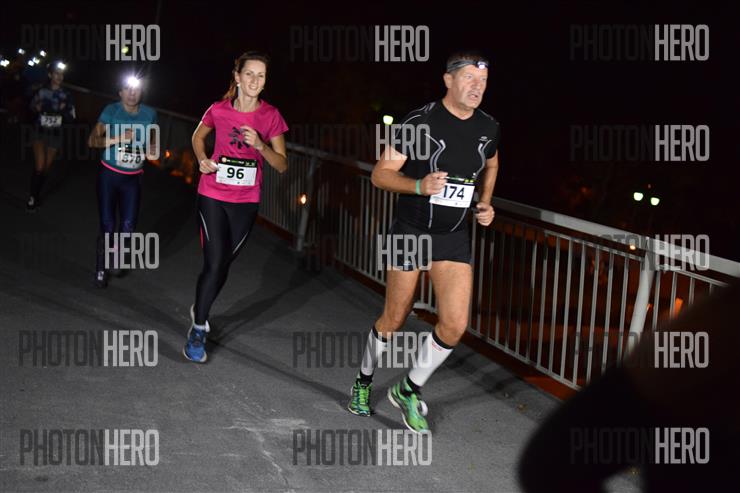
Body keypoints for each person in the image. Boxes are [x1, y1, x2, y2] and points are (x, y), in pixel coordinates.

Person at [347, 51, 501, 433]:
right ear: (448, 80)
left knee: (455, 324)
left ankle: (408, 389)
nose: (477, 87)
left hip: (453, 237)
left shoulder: (489, 126)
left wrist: (485, 202)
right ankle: (363, 381)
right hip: (410, 232)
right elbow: (380, 174)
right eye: (469, 78)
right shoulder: (421, 121)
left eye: (483, 81)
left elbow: (492, 163)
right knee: (395, 317)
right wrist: (419, 185)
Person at [183, 51, 289, 363]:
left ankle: (200, 308)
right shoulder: (218, 109)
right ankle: (198, 330)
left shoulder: (271, 116)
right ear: (238, 77)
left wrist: (260, 145)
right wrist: (202, 159)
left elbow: (282, 165)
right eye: (250, 74)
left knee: (223, 265)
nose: (255, 80)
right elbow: (198, 137)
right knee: (215, 262)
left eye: (261, 75)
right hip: (213, 195)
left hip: (245, 202)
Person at [87, 75, 158, 288]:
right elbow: (92, 141)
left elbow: (153, 144)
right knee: (107, 224)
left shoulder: (150, 114)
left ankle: (115, 254)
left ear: (142, 92)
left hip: (133, 179)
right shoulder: (111, 111)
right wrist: (118, 138)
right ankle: (100, 268)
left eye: (136, 89)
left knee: (128, 226)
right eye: (127, 89)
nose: (132, 93)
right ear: (120, 93)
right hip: (109, 176)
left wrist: (152, 151)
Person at [26, 60, 75, 211]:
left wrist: (63, 111)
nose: (59, 77)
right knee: (40, 166)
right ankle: (32, 198)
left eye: (61, 74)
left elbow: (72, 117)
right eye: (56, 74)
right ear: (50, 75)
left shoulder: (67, 95)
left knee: (46, 168)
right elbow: (31, 107)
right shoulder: (41, 91)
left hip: (55, 134)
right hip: (40, 132)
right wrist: (36, 107)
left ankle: (37, 194)